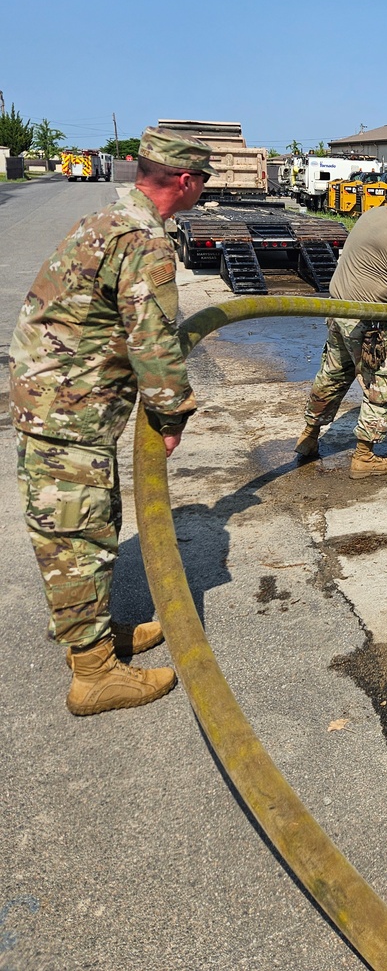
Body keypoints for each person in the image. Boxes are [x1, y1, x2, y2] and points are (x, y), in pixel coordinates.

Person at [9, 127, 215, 716]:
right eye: (201, 181)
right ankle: (94, 674)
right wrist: (171, 414)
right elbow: (152, 338)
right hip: (69, 412)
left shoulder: (106, 219)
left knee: (90, 524)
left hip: (55, 399)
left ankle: (96, 636)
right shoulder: (145, 240)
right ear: (184, 181)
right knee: (78, 537)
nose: (201, 190)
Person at [295, 169, 387, 476]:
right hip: (370, 324)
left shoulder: (370, 216)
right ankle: (364, 457)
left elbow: (372, 265)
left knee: (332, 375)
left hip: (340, 311)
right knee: (381, 385)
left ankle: (308, 436)